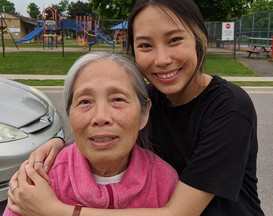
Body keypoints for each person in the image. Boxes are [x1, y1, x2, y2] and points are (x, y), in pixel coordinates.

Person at [7, 0, 265, 215]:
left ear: (198, 38)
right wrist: (58, 143)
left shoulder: (230, 109)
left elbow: (177, 214)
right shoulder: (151, 98)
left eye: (174, 40)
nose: (162, 59)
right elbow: (101, 120)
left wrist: (56, 210)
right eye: (145, 45)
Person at [4, 51, 179, 216]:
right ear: (70, 115)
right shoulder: (40, 178)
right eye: (85, 101)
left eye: (118, 99)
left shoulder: (164, 182)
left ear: (143, 114)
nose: (100, 117)